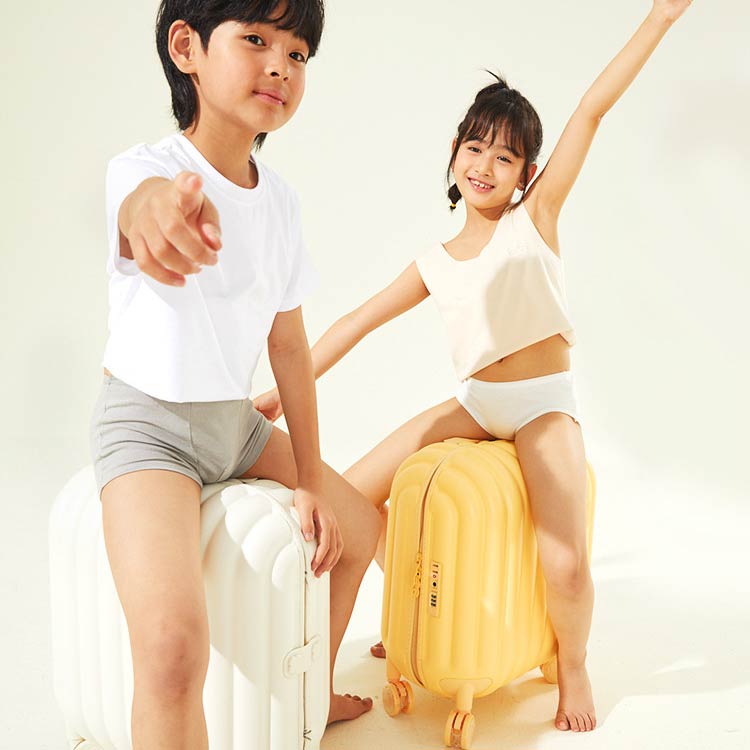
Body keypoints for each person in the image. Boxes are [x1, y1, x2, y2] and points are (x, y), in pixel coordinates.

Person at [252, 0, 695, 733]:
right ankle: (408, 618)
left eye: (505, 157)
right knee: (352, 495)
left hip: (543, 405)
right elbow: (355, 322)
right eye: (476, 147)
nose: (486, 166)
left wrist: (659, 19)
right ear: (455, 151)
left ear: (525, 174)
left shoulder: (534, 220)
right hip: (478, 403)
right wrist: (275, 394)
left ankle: (573, 664)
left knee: (566, 563)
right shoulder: (436, 261)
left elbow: (591, 110)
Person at [89, 2, 380, 747]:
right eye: (256, 39)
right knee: (172, 651)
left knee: (360, 527)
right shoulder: (147, 171)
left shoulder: (280, 203)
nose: (281, 64)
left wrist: (310, 479)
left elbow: (290, 347)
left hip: (235, 425)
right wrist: (158, 216)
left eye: (299, 53)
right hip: (148, 430)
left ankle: (310, 693)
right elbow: (139, 210)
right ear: (186, 47)